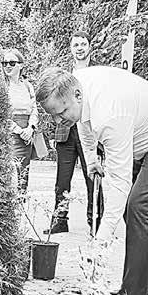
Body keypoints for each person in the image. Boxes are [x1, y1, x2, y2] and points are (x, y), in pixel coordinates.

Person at [35, 66, 148, 295]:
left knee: (139, 207)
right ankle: (147, 291)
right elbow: (83, 124)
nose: (58, 121)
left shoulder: (110, 114)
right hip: (147, 143)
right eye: (53, 115)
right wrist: (91, 159)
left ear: (77, 95)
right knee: (135, 212)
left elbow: (119, 185)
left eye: (62, 112)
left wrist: (101, 240)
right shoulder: (79, 87)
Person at [46, 31, 104, 236]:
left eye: (83, 44)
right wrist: (53, 133)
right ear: (71, 49)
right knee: (62, 180)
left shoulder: (98, 72)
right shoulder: (64, 74)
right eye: (76, 45)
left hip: (89, 131)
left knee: (92, 177)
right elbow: (54, 102)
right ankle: (59, 220)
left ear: (89, 47)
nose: (79, 48)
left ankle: (95, 221)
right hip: (66, 133)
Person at [3, 48, 47, 192]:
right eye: (4, 63)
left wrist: (30, 128)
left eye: (11, 63)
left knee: (24, 172)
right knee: (12, 173)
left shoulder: (27, 86)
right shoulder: (3, 87)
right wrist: (18, 130)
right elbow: (2, 114)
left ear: (21, 65)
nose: (7, 66)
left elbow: (34, 109)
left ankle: (22, 202)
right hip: (10, 134)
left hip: (27, 136)